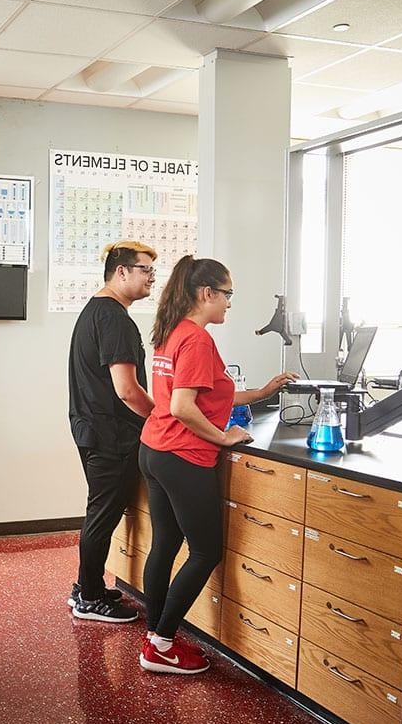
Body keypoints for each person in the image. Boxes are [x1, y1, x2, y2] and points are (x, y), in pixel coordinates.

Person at [138, 256, 296, 674]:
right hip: (182, 456)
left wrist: (262, 392)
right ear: (206, 293)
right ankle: (163, 645)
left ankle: (155, 635)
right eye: (227, 294)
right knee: (206, 551)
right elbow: (183, 406)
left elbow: (204, 397)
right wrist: (225, 437)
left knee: (166, 544)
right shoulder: (196, 339)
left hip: (155, 450)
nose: (229, 303)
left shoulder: (170, 331)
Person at [67, 240, 157, 623]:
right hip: (111, 435)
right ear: (121, 272)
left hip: (94, 429)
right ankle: (89, 597)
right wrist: (162, 418)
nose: (152, 278)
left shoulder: (95, 311)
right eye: (145, 270)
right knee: (102, 514)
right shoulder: (115, 319)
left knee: (100, 512)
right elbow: (127, 389)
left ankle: (86, 587)